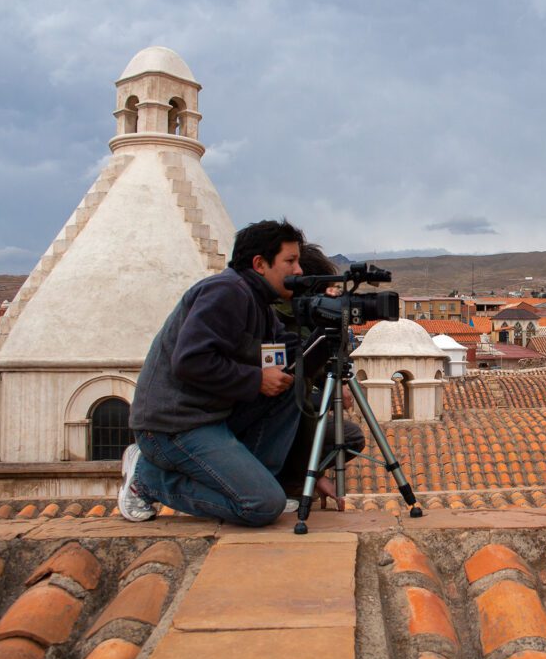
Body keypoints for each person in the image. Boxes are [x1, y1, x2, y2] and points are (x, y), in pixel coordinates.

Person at [121, 219, 335, 525]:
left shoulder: (258, 302)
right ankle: (148, 478)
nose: (298, 271)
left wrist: (326, 332)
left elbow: (283, 350)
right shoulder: (226, 292)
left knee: (290, 388)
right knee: (261, 506)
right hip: (173, 427)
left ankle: (256, 481)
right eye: (290, 261)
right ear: (260, 264)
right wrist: (257, 380)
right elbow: (190, 360)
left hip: (211, 415)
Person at [275, 243, 366, 500]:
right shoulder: (281, 325)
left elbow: (320, 370)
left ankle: (297, 480)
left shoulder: (304, 322)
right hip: (277, 414)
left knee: (348, 435)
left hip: (291, 410)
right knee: (345, 434)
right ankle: (295, 483)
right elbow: (291, 391)